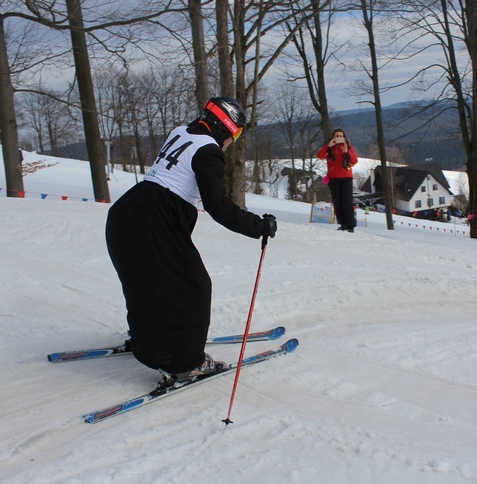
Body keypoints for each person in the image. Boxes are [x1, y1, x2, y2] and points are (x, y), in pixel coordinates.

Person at [105, 97, 277, 386]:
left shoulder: (179, 131)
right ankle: (186, 364)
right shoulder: (209, 152)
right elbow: (218, 207)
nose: (232, 143)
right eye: (234, 135)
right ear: (225, 128)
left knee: (146, 281)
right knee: (193, 287)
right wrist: (259, 226)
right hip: (154, 220)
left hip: (127, 210)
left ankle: (145, 337)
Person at [317, 128, 358, 232]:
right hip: (333, 179)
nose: (339, 138)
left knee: (347, 202)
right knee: (337, 202)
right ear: (333, 137)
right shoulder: (330, 149)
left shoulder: (348, 147)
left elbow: (354, 160)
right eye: (337, 136)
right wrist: (328, 146)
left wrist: (346, 151)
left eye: (341, 136)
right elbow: (320, 156)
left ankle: (350, 225)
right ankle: (342, 224)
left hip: (346, 178)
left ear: (344, 137)